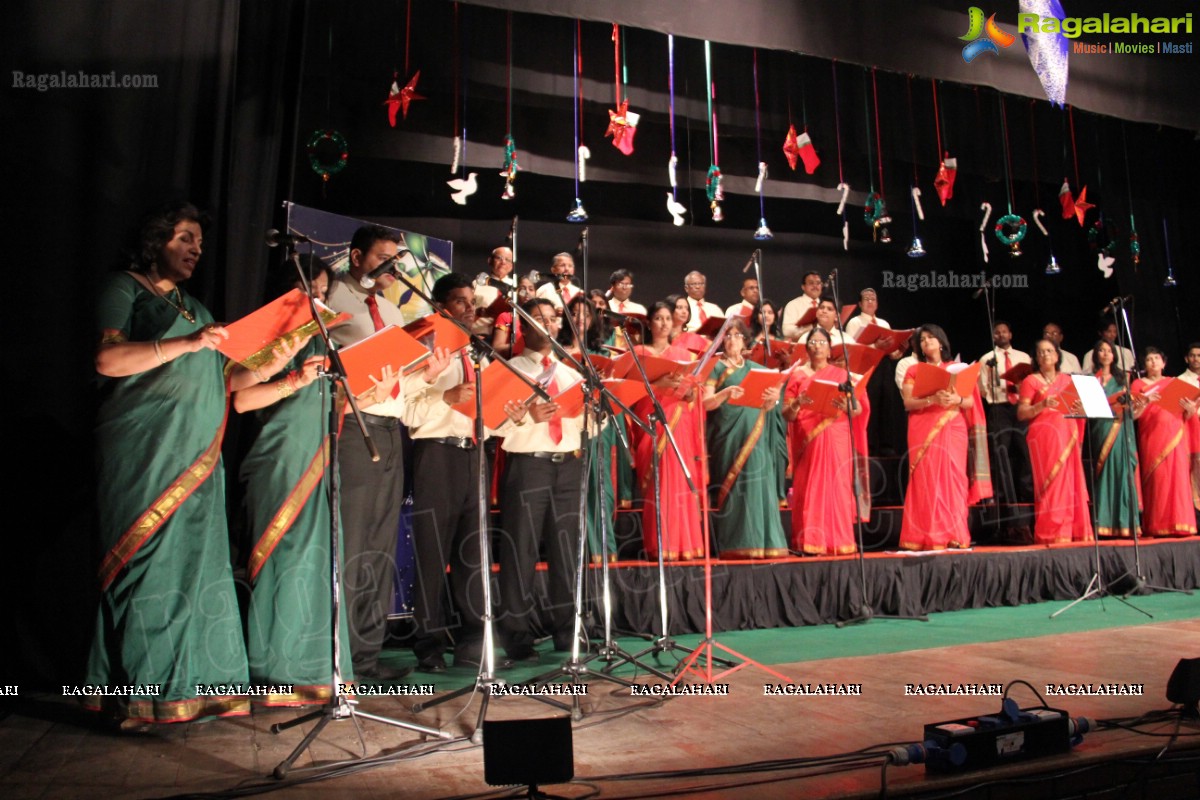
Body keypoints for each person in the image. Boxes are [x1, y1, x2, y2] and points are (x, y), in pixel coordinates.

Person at [88, 201, 292, 724]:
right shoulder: (124, 288)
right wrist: (187, 343)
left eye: (199, 243)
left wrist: (288, 361)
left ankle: (191, 691)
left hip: (200, 458)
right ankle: (138, 697)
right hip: (146, 453)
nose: (195, 249)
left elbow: (226, 382)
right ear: (155, 240)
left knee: (195, 572)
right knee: (150, 570)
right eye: (184, 238)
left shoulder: (195, 309)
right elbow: (108, 359)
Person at [236, 257, 363, 700]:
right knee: (282, 561)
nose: (318, 299)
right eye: (310, 290)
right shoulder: (269, 332)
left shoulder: (323, 339)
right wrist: (293, 378)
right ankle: (272, 673)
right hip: (279, 458)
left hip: (320, 456)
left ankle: (318, 673)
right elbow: (240, 402)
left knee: (317, 561)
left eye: (324, 292)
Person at [325, 224, 433, 680]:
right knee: (352, 543)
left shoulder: (390, 309)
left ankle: (367, 658)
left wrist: (424, 369)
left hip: (391, 429)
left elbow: (398, 380)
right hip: (353, 427)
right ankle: (339, 661)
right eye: (384, 258)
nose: (393, 268)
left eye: (397, 260)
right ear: (356, 256)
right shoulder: (332, 298)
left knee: (379, 547)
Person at [401, 272, 497, 672]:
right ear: (440, 306)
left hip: (474, 453)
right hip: (435, 454)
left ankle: (473, 639)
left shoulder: (478, 353)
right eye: (461, 301)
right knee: (431, 551)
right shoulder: (422, 347)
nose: (470, 308)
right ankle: (429, 643)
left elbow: (489, 411)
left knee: (472, 552)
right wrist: (445, 396)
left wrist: (505, 413)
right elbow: (407, 410)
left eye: (472, 301)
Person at [497, 299, 588, 659]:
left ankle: (568, 632)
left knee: (567, 550)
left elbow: (586, 426)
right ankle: (516, 637)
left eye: (552, 319)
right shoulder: (509, 368)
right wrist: (526, 417)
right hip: (529, 463)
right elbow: (492, 424)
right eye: (538, 319)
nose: (548, 324)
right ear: (522, 326)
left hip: (568, 464)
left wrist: (593, 410)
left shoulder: (571, 372)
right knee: (521, 548)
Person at [703, 318, 789, 558]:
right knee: (736, 490)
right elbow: (705, 403)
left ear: (745, 341)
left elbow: (769, 406)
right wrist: (726, 392)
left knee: (758, 485)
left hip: (756, 435)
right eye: (728, 336)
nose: (732, 340)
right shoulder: (715, 367)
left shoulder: (758, 370)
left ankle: (765, 542)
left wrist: (772, 397)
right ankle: (737, 543)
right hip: (728, 437)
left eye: (737, 336)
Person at [631, 301, 704, 560]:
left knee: (680, 484)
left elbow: (694, 395)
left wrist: (689, 392)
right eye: (658, 318)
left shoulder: (685, 356)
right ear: (649, 323)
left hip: (678, 426)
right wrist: (658, 384)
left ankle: (685, 544)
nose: (663, 323)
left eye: (667, 318)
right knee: (658, 485)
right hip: (652, 424)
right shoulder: (639, 352)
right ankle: (660, 544)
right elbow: (630, 392)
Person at [782, 326, 862, 555]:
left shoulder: (841, 375)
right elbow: (787, 414)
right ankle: (810, 541)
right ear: (806, 349)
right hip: (808, 439)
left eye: (822, 342)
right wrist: (798, 403)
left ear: (830, 350)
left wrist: (845, 406)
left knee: (837, 486)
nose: (817, 346)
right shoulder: (797, 376)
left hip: (836, 435)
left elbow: (856, 409)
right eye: (813, 342)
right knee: (810, 488)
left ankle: (838, 540)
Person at [898, 325, 974, 551]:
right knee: (928, 479)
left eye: (931, 338)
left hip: (953, 427)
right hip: (924, 427)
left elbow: (968, 401)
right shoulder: (914, 370)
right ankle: (929, 535)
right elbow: (908, 403)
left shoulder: (957, 369)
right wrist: (932, 399)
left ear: (941, 342)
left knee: (954, 479)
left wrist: (955, 400)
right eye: (922, 340)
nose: (926, 343)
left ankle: (955, 533)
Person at [1017, 339, 1094, 544]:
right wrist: (1042, 404)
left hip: (1067, 434)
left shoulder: (1069, 381)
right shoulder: (1030, 381)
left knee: (1070, 482)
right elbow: (1022, 413)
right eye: (1040, 352)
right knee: (1050, 484)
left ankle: (1071, 529)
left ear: (1058, 356)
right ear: (1036, 357)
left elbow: (1080, 412)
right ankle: (1051, 531)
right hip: (1044, 437)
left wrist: (1080, 410)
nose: (1045, 355)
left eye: (1049, 351)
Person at [1131, 347, 1198, 537]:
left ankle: (1180, 523)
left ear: (1164, 362)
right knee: (1158, 479)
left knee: (1178, 479)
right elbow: (1133, 416)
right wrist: (1145, 401)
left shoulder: (1174, 383)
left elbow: (1188, 414)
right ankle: (1157, 524)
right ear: (1144, 364)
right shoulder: (1137, 384)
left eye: (1157, 358)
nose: (1153, 362)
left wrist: (1190, 408)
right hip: (1151, 436)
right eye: (1149, 359)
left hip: (1175, 435)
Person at [1086, 340, 1141, 538]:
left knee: (1122, 471)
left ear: (1114, 355)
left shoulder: (1123, 378)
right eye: (1101, 350)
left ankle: (1126, 523)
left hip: (1120, 429)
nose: (1105, 354)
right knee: (1103, 475)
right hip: (1100, 428)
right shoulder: (1091, 379)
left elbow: (1132, 409)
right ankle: (1104, 523)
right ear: (1096, 354)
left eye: (1109, 351)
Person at [978, 320, 1033, 505]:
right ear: (994, 336)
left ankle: (1026, 492)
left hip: (1019, 406)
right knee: (1000, 450)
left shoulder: (1023, 357)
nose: (1001, 335)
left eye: (1004, 331)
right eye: (997, 332)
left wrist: (1020, 387)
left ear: (1010, 334)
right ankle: (1002, 495)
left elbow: (1031, 382)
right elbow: (983, 389)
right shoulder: (987, 359)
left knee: (1024, 450)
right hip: (999, 407)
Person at [491, 272, 537, 359]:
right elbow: (496, 349)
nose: (526, 292)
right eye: (522, 289)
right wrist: (522, 346)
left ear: (536, 293)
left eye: (531, 289)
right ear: (516, 292)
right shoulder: (506, 317)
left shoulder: (540, 319)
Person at [781, 271, 825, 341]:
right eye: (811, 283)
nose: (815, 286)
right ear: (803, 287)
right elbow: (786, 331)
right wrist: (808, 328)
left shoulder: (826, 305)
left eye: (818, 283)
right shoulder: (793, 305)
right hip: (800, 345)